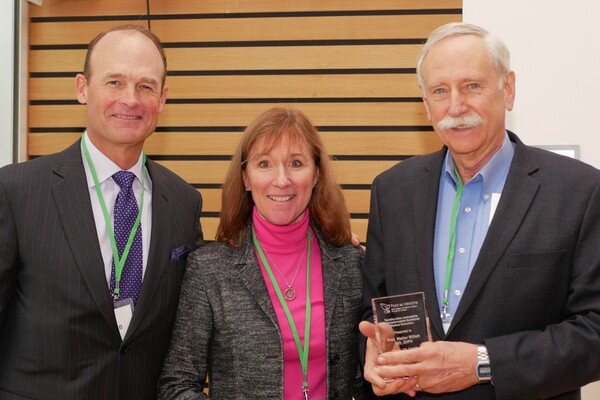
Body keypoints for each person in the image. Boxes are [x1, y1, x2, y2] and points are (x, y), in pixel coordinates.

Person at [358, 22, 600, 400]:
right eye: (440, 91)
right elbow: (372, 309)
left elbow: (595, 332)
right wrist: (374, 354)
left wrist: (483, 363)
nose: (456, 106)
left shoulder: (579, 191)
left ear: (508, 89)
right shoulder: (392, 191)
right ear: (425, 106)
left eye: (472, 85)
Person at [0, 25, 203, 399]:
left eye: (146, 86)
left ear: (162, 99)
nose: (130, 99)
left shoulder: (184, 202)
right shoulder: (15, 192)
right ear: (82, 88)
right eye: (114, 82)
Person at [158, 107, 364, 399]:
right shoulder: (209, 270)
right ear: (245, 177)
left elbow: (364, 382)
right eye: (264, 164)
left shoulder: (350, 263)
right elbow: (175, 386)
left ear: (316, 173)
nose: (281, 180)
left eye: (296, 163)